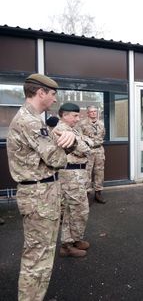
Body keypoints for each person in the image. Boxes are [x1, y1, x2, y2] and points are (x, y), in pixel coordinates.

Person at [7, 73, 76, 301]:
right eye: (53, 94)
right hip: (39, 196)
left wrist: (63, 139)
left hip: (42, 193)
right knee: (37, 258)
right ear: (41, 92)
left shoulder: (33, 119)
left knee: (42, 254)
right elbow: (56, 159)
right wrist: (68, 143)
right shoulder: (30, 121)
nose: (55, 100)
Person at [54, 103, 93, 258]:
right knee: (78, 210)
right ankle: (67, 245)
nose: (78, 119)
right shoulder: (60, 130)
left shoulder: (72, 130)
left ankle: (75, 239)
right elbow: (84, 148)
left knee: (74, 210)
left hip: (78, 174)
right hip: (70, 175)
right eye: (75, 116)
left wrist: (84, 143)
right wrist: (84, 144)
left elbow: (89, 143)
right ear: (64, 115)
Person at [78, 105, 106, 204]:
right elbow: (80, 137)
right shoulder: (82, 124)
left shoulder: (101, 124)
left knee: (99, 172)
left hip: (99, 150)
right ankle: (87, 194)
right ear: (88, 113)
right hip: (88, 151)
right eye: (91, 112)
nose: (93, 113)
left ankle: (98, 193)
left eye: (95, 111)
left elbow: (102, 135)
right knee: (87, 172)